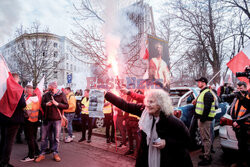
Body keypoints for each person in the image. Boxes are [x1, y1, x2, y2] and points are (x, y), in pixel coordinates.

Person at [105, 89, 193, 167]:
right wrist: (107, 94)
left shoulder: (172, 121)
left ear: (160, 104)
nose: (148, 105)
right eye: (147, 101)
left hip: (166, 159)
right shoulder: (144, 111)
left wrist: (166, 142)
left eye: (152, 102)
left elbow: (187, 140)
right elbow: (125, 105)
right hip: (147, 157)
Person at [35, 81, 69, 162]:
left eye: (50, 88)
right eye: (49, 88)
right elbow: (42, 104)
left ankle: (55, 153)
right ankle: (42, 154)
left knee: (56, 138)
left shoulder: (62, 94)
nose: (49, 89)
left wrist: (57, 104)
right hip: (46, 119)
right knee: (43, 138)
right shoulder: (46, 94)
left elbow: (66, 106)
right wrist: (46, 104)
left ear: (54, 87)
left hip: (57, 120)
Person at [0, 73, 26, 167]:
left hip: (3, 117)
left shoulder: (3, 87)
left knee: (3, 139)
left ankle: (1, 159)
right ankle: (5, 162)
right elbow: (22, 104)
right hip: (14, 118)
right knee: (9, 142)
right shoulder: (17, 89)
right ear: (16, 79)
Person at [194, 77, 215, 166]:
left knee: (206, 138)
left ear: (204, 83)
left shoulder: (207, 93)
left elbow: (207, 108)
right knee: (204, 137)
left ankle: (207, 158)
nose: (198, 83)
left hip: (205, 120)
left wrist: (202, 119)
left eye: (199, 82)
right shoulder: (203, 92)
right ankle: (206, 154)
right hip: (202, 119)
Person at [229, 81, 250, 167]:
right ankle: (240, 162)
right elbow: (232, 110)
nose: (239, 90)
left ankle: (245, 162)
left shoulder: (248, 98)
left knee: (246, 146)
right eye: (237, 88)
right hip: (237, 125)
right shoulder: (236, 98)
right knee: (240, 145)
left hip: (246, 125)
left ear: (246, 88)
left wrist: (238, 122)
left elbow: (248, 112)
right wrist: (234, 120)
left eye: (241, 88)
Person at [21, 84, 40, 162]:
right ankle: (36, 151)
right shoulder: (36, 98)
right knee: (33, 137)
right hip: (35, 119)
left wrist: (22, 108)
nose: (24, 91)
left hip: (28, 120)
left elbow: (27, 112)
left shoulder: (28, 99)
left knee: (30, 138)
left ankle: (31, 155)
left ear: (28, 90)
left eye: (25, 89)